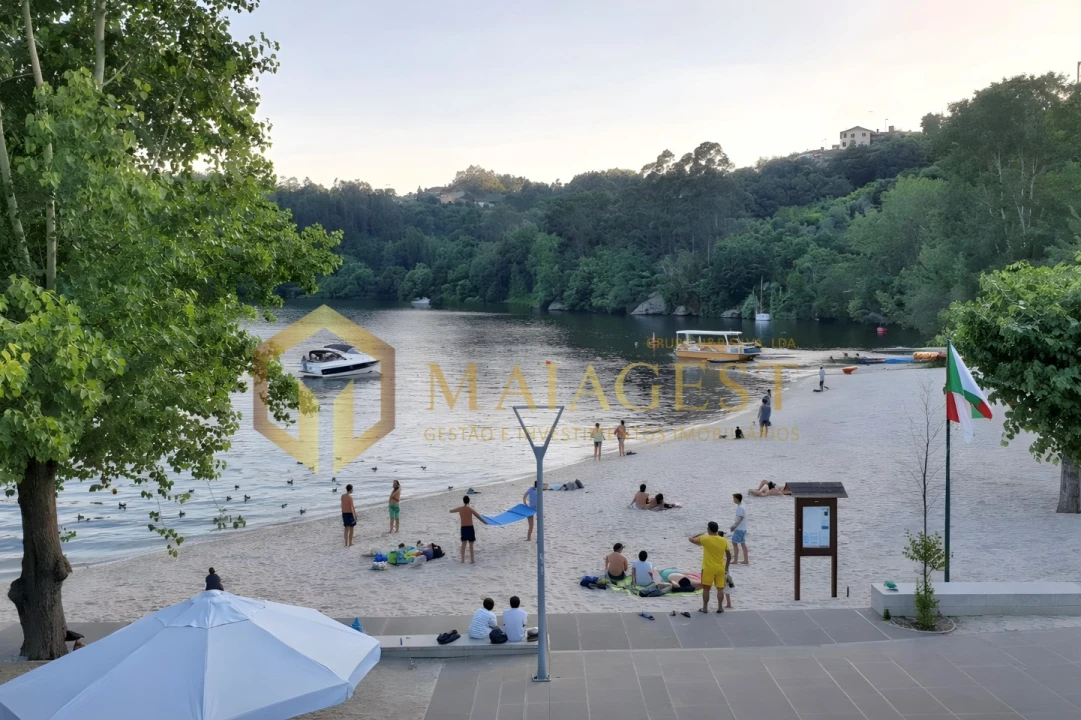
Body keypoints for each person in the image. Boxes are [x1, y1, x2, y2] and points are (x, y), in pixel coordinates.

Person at [690, 521, 731, 614]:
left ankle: (705, 608)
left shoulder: (705, 538)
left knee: (706, 589)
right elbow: (729, 556)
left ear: (709, 529)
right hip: (720, 568)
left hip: (708, 568)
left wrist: (700, 533)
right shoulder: (724, 540)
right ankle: (720, 607)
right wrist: (726, 567)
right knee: (720, 589)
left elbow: (691, 539)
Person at [450, 496, 489, 564]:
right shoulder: (470, 509)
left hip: (463, 528)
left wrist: (451, 510)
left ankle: (462, 560)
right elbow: (478, 517)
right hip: (470, 528)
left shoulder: (460, 509)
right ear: (468, 501)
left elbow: (451, 511)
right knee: (471, 545)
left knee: (463, 544)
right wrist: (485, 522)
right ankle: (472, 560)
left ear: (463, 501)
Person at [730, 493, 748, 565]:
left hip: (739, 528)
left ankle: (735, 560)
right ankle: (745, 560)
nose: (733, 500)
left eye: (734, 498)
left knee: (734, 543)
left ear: (737, 499)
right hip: (743, 528)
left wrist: (734, 526)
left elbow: (740, 518)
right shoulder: (742, 505)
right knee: (742, 544)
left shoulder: (740, 508)